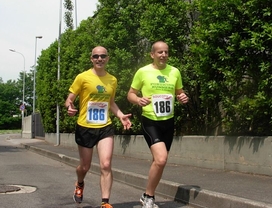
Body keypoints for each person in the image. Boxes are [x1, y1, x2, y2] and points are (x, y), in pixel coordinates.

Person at [65, 46, 132, 208]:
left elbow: (111, 103)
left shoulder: (112, 80)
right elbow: (70, 98)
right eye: (96, 56)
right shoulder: (82, 77)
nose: (99, 59)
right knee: (85, 166)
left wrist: (121, 115)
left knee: (106, 164)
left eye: (103, 56)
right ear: (91, 59)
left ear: (108, 58)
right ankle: (80, 183)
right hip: (85, 126)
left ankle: (105, 202)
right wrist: (69, 105)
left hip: (105, 127)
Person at [127, 41, 189, 208]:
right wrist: (138, 100)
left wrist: (183, 97)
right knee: (161, 160)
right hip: (150, 121)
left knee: (160, 160)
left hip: (168, 121)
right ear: (152, 54)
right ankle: (149, 196)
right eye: (160, 52)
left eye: (166, 52)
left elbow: (179, 92)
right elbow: (131, 94)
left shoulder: (175, 71)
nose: (163, 55)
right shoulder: (143, 72)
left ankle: (147, 194)